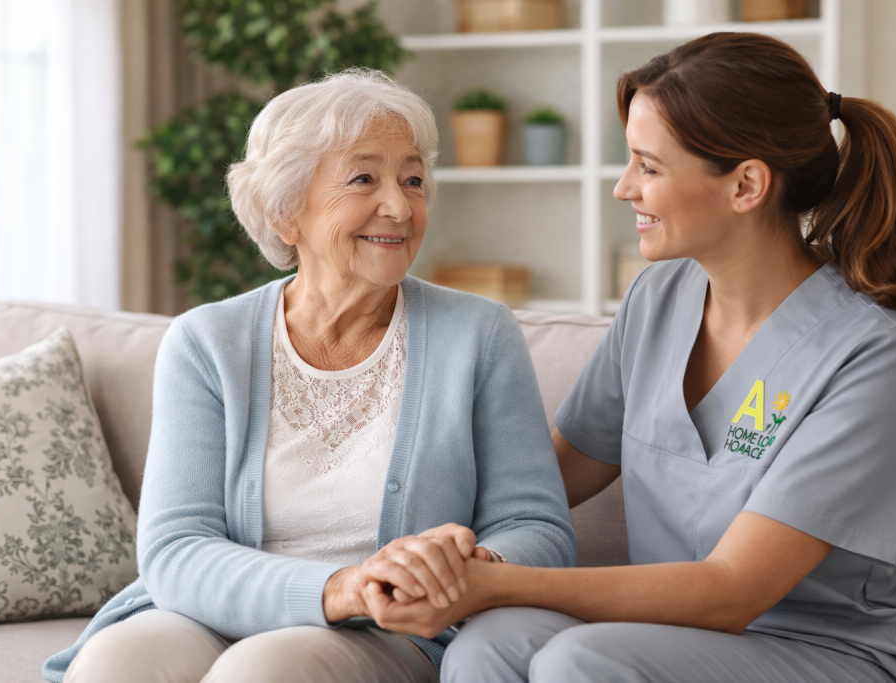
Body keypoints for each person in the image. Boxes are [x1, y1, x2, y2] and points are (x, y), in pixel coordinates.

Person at [361, 33, 896, 683]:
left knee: (579, 660)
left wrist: (504, 583)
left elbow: (732, 590)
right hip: (668, 635)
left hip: (826, 649)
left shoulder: (869, 355)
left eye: (649, 166)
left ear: (746, 184)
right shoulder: (660, 298)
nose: (623, 187)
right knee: (487, 643)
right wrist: (440, 541)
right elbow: (558, 469)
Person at [42, 68, 575, 683]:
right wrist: (340, 586)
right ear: (286, 212)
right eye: (363, 179)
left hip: (384, 631)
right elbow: (176, 551)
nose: (400, 207)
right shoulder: (207, 342)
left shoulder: (478, 335)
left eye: (413, 180)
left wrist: (465, 565)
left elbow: (539, 529)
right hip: (208, 612)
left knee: (264, 670)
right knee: (118, 664)